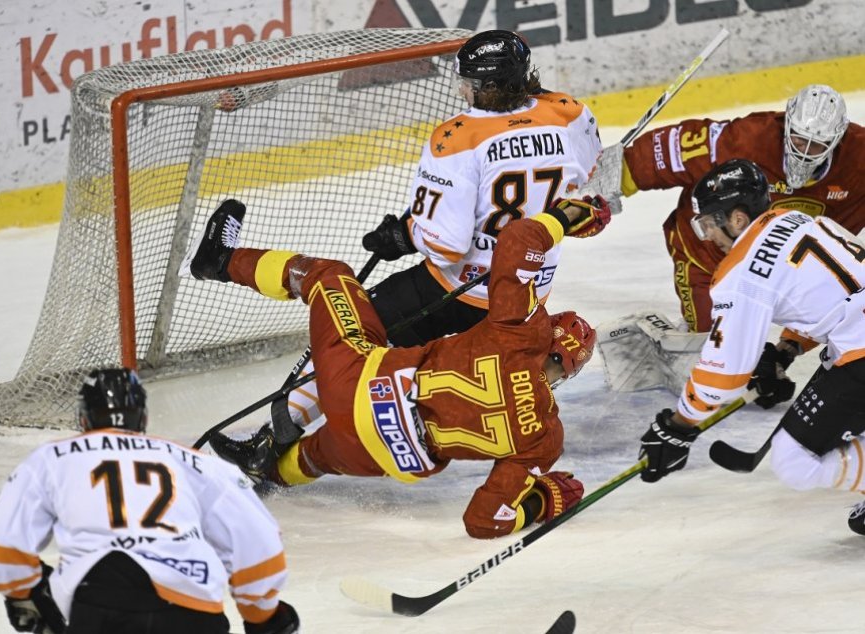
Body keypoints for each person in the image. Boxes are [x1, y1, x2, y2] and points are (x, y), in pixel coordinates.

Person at [181, 195, 607, 538]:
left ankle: (219, 260)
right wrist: (542, 501)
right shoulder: (545, 439)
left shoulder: (522, 331)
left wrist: (566, 217)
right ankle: (271, 467)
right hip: (384, 455)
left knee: (328, 276)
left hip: (359, 384)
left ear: (547, 334)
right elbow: (483, 521)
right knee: (317, 456)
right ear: (568, 371)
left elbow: (518, 238)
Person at [276, 29, 609, 433]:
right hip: (526, 295)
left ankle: (279, 432)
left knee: (357, 328)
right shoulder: (570, 113)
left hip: (456, 289)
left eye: (469, 84)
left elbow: (448, 245)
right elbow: (595, 189)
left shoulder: (457, 137)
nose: (463, 92)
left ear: (488, 87)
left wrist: (404, 235)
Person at [0, 368, 299, 634]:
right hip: (192, 613)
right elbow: (260, 546)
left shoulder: (53, 458)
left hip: (99, 609)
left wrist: (30, 594)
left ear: (83, 419)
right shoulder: (195, 462)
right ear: (141, 418)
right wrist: (261, 617)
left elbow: (0, 553)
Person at [635, 159, 865, 535]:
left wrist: (679, 425)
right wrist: (787, 349)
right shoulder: (800, 219)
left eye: (709, 223)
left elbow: (724, 372)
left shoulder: (742, 271)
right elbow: (839, 291)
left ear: (738, 219)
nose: (707, 235)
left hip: (860, 353)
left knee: (794, 462)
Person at [581, 84, 863, 335]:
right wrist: (622, 173)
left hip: (785, 264)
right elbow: (679, 148)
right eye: (799, 139)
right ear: (787, 125)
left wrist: (788, 348)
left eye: (817, 145)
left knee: (838, 311)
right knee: (710, 338)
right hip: (709, 251)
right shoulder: (749, 138)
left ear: (838, 139)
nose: (804, 150)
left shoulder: (858, 157)